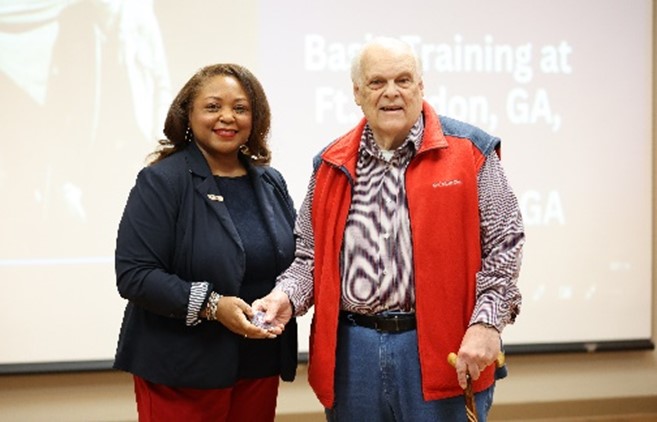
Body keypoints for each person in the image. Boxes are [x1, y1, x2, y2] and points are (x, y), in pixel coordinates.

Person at [254, 37, 525, 421]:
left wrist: (487, 324)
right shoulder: (331, 163)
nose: (391, 93)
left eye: (403, 80)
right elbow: (309, 259)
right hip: (353, 354)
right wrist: (285, 297)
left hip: (441, 350)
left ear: (421, 86)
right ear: (357, 92)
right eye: (378, 82)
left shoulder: (470, 152)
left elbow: (505, 244)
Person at [113, 63, 298, 422]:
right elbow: (135, 274)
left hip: (259, 364)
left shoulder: (270, 180)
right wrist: (212, 306)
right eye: (213, 106)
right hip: (182, 371)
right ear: (188, 114)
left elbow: (292, 260)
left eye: (240, 108)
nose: (227, 117)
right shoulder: (161, 180)